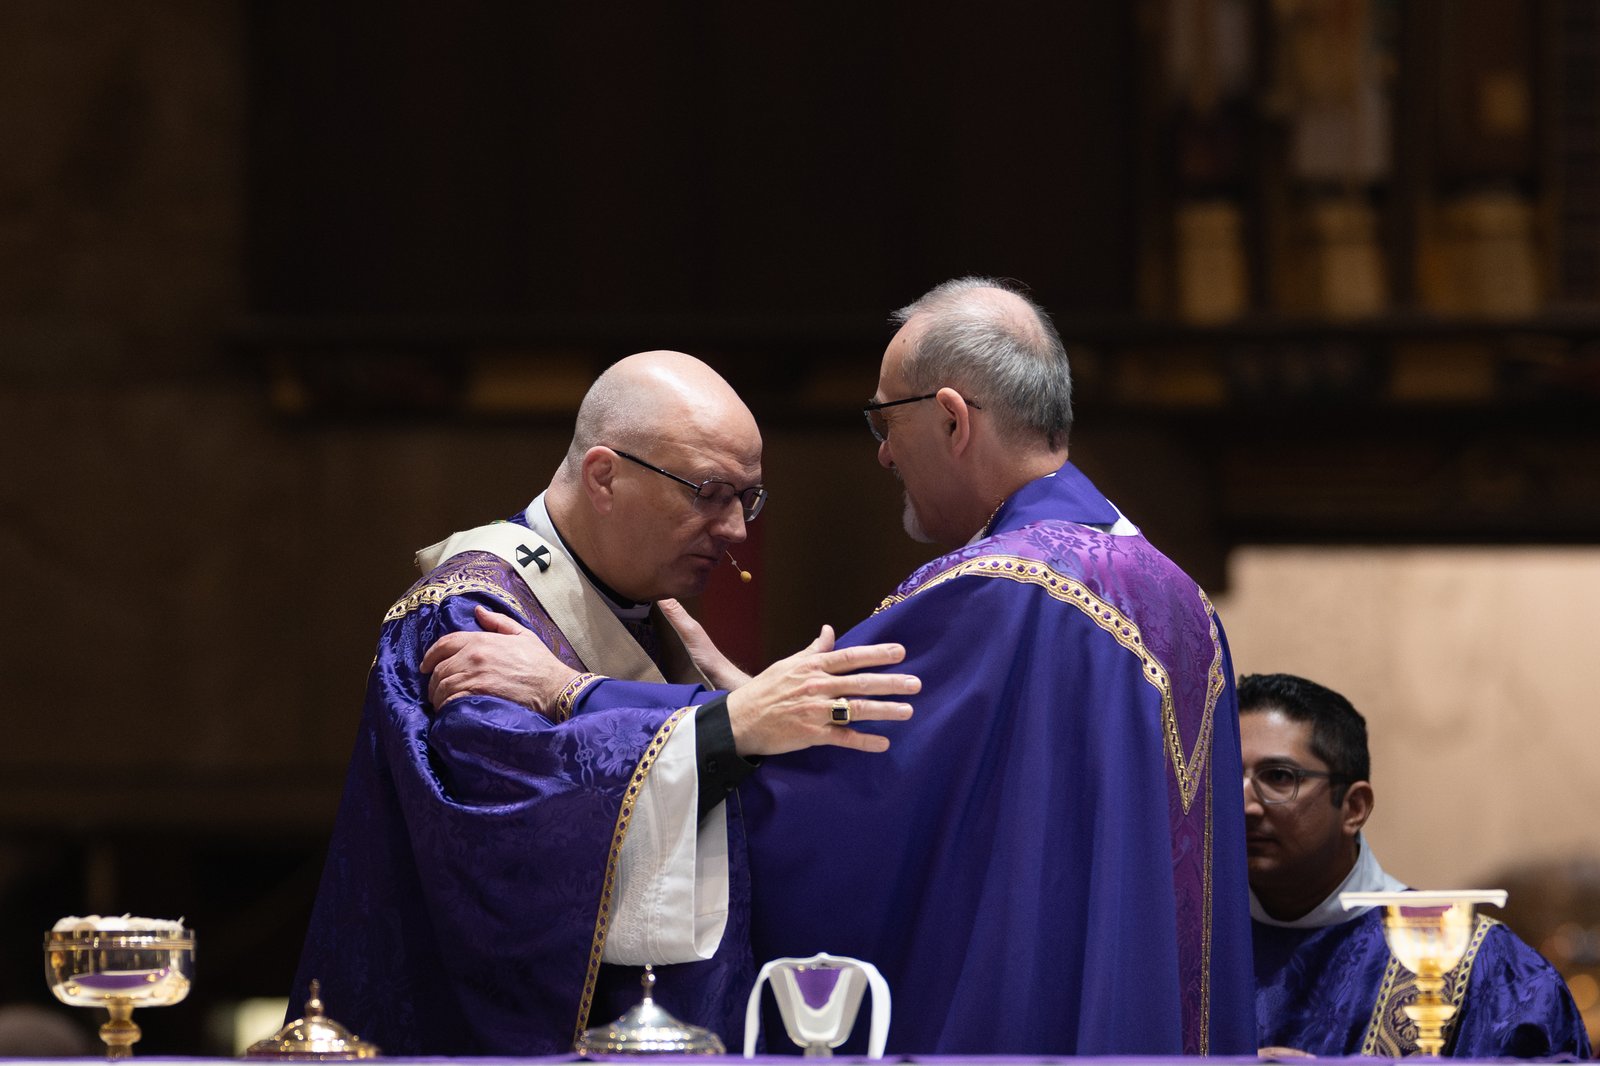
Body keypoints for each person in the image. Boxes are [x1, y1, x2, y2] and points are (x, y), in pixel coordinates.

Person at [428, 278, 1258, 1054]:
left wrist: (575, 693)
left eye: (883, 421)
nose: (883, 454)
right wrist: (749, 696)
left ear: (952, 420)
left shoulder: (998, 596)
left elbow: (823, 809)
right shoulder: (1172, 597)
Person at [290, 350, 919, 1056]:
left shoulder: (649, 614)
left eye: (747, 498)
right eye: (710, 492)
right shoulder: (470, 613)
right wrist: (726, 725)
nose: (736, 530)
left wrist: (731, 706)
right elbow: (505, 817)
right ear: (603, 476)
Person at [1241, 672, 1591, 1057]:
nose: (1244, 806)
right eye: (1225, 776)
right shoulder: (1194, 953)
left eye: (1278, 777)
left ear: (1354, 807)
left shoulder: (1493, 972)